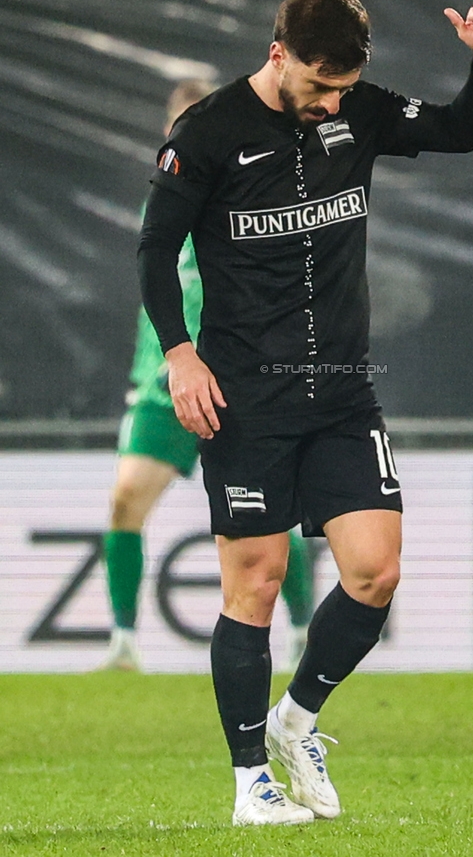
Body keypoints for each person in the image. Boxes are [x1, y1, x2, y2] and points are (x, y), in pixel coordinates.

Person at [138, 0, 473, 826]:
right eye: (318, 85)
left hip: (342, 391)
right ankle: (250, 787)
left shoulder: (359, 111)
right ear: (278, 54)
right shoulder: (206, 135)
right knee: (257, 584)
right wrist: (179, 352)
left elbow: (463, 129)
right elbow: (155, 250)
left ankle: (296, 721)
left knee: (376, 572)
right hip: (246, 397)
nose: (331, 102)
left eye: (343, 87)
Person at [102, 79, 316, 673]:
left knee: (273, 521)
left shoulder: (255, 190)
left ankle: (302, 633)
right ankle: (122, 643)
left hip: (238, 384)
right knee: (124, 501)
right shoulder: (163, 196)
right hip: (164, 385)